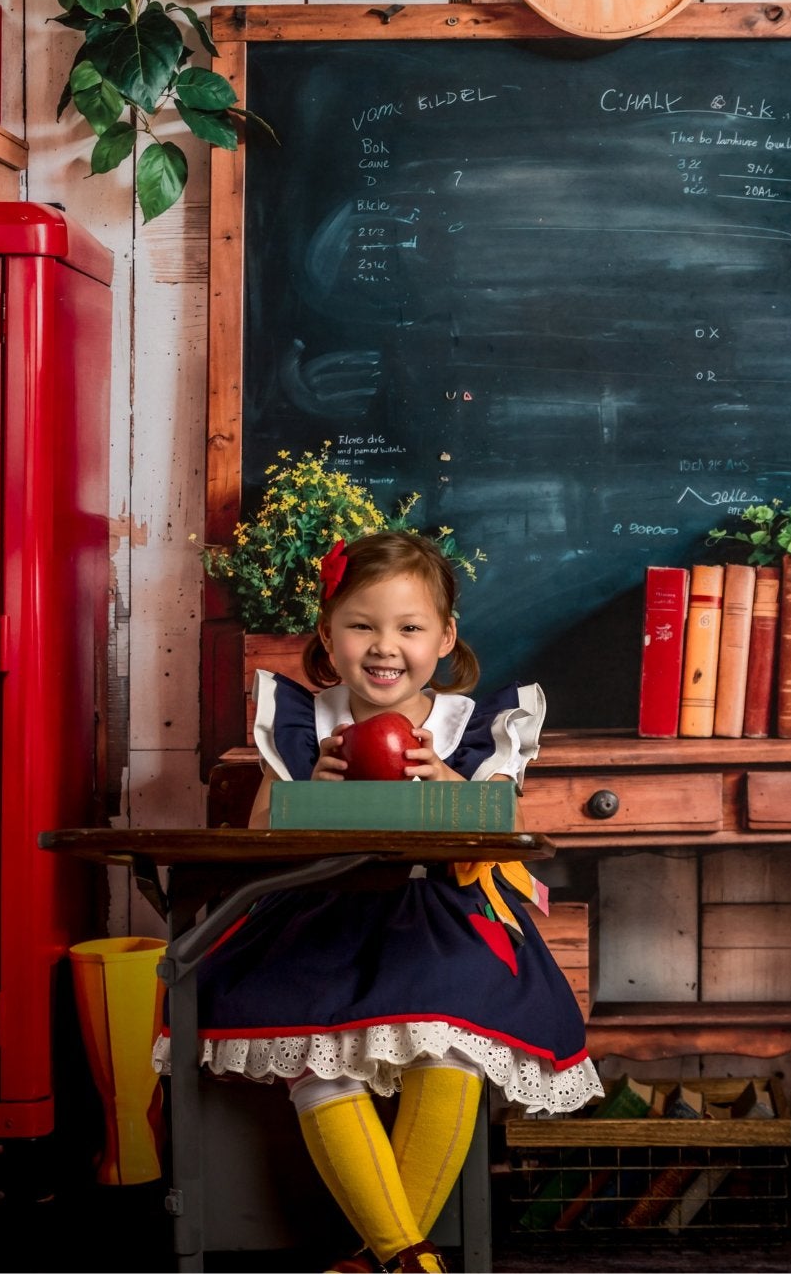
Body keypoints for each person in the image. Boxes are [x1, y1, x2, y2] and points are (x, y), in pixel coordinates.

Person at [160, 531, 601, 1273]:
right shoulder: (303, 722)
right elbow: (259, 831)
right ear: (328, 636)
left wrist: (449, 788)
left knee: (452, 1043)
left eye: (408, 626)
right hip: (318, 915)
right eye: (361, 625)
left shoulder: (471, 728)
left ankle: (385, 1260)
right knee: (320, 1058)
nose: (383, 646)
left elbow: (498, 827)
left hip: (442, 920)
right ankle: (411, 1263)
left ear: (445, 638)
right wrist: (309, 796)